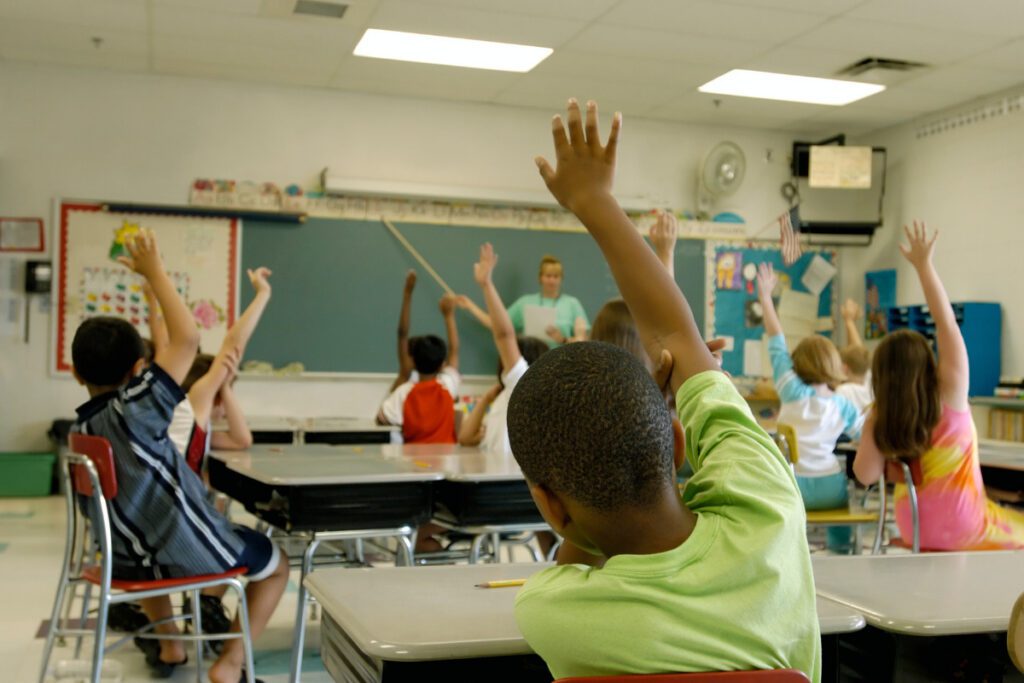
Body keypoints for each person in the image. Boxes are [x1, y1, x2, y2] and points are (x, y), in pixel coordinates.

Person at [507, 98, 819, 681]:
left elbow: (581, 553)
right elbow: (676, 332)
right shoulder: (769, 507)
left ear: (551, 505)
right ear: (677, 445)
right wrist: (596, 202)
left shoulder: (552, 612)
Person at [70, 229, 287, 683]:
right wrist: (155, 272)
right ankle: (229, 665)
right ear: (139, 370)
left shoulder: (81, 429)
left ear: (75, 373)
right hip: (188, 553)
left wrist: (151, 291)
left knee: (150, 532)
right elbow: (187, 340)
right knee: (276, 563)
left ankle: (170, 645)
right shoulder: (141, 410)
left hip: (124, 561)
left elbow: (172, 341)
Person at [853, 222, 1024, 550]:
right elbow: (947, 324)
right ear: (928, 363)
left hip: (914, 527)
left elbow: (865, 476)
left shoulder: (881, 414)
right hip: (965, 526)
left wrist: (872, 426)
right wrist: (923, 266)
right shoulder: (949, 394)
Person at [756, 263, 861, 551]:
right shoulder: (844, 405)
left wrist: (766, 297)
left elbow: (776, 343)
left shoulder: (791, 390)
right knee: (842, 507)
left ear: (798, 364)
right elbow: (865, 436)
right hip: (830, 487)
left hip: (793, 485)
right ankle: (840, 552)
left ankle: (790, 554)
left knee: (783, 513)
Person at [457, 243, 548, 453]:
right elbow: (466, 437)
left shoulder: (524, 386)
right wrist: (487, 399)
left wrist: (486, 285)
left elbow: (504, 335)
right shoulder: (505, 396)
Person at [377, 270, 461, 444]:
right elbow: (454, 350)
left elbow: (381, 419)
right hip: (446, 461)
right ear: (441, 366)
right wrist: (449, 315)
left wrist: (407, 294)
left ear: (412, 360)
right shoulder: (448, 385)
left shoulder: (404, 392)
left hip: (414, 465)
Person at [459, 254, 589, 346]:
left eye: (556, 276)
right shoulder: (526, 302)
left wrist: (563, 339)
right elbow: (498, 324)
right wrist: (471, 306)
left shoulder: (572, 304)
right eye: (548, 276)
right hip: (532, 365)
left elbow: (583, 341)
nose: (552, 280)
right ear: (540, 278)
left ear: (561, 279)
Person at [836, 298, 873, 414]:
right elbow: (858, 352)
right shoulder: (870, 383)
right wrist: (849, 322)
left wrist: (849, 321)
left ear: (845, 368)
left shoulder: (843, 391)